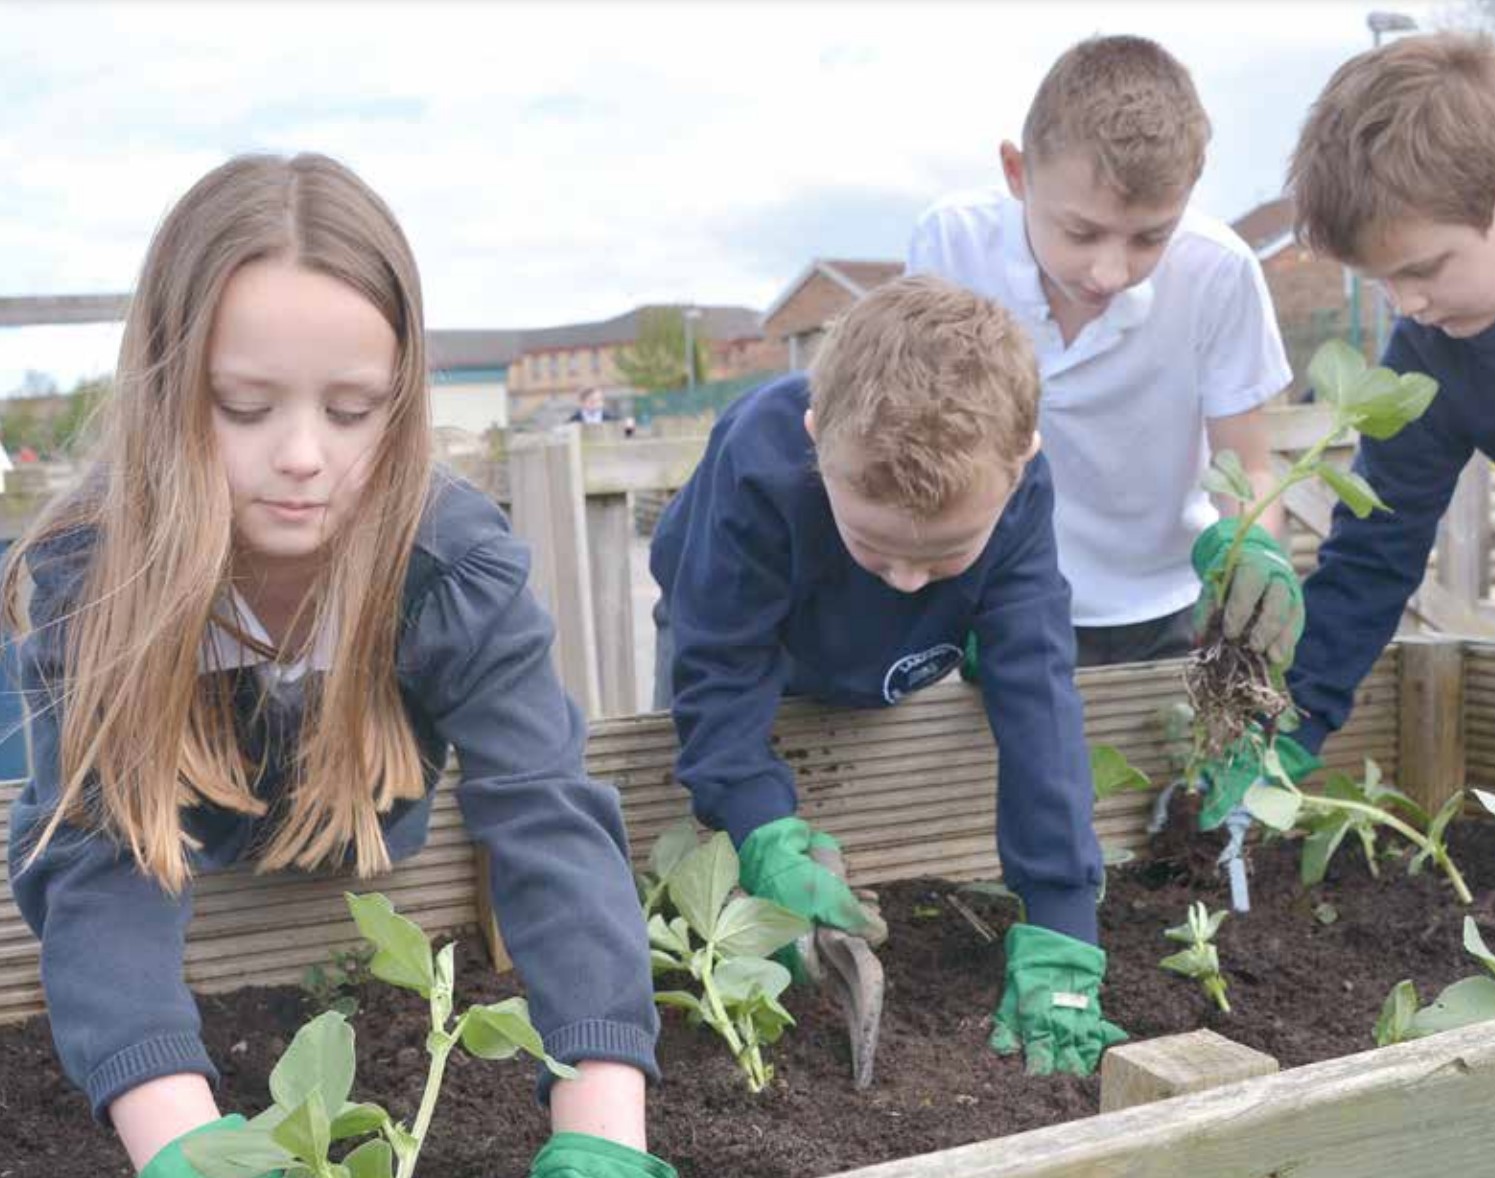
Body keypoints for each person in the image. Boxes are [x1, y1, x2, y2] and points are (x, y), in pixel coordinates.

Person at [5, 154, 674, 1178]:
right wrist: (184, 1138)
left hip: (371, 865)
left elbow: (548, 819)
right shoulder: (90, 575)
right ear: (164, 384)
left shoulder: (450, 564)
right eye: (243, 404)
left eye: (353, 408)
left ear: (402, 400)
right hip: (179, 893)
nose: (304, 455)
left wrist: (602, 1120)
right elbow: (103, 861)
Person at [650, 275, 1125, 1078]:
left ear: (1020, 468)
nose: (905, 579)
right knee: (706, 827)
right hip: (755, 634)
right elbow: (719, 673)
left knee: (1005, 650)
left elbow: (1039, 701)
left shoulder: (1015, 496)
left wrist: (1064, 921)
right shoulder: (762, 461)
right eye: (875, 547)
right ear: (815, 440)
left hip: (907, 655)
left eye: (943, 554)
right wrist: (760, 825)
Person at [907, 34, 1301, 671]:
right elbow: (928, 444)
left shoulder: (1219, 271)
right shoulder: (951, 245)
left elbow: (1246, 464)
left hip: (1172, 604)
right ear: (1016, 173)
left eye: (1150, 237)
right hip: (1003, 598)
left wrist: (1252, 552)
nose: (1110, 271)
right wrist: (947, 585)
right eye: (1081, 232)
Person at [1257, 32, 1495, 779]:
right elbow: (1374, 546)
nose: (1411, 304)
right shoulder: (1426, 354)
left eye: (1425, 269)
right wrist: (1296, 719)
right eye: (1384, 282)